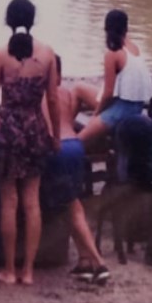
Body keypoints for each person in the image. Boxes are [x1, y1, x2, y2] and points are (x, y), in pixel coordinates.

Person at [0, 0, 60, 286]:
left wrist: (3, 120)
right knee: (32, 202)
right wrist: (54, 135)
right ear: (33, 20)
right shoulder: (47, 54)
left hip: (8, 128)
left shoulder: (0, 55)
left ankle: (9, 269)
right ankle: (28, 271)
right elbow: (53, 100)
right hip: (35, 127)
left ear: (8, 20)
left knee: (9, 202)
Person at [48, 56, 110, 284]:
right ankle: (84, 261)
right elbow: (101, 101)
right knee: (71, 205)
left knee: (72, 208)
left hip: (60, 149)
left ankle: (99, 262)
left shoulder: (43, 95)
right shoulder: (67, 93)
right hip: (75, 146)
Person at [78, 9, 152, 151]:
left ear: (107, 29)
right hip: (135, 106)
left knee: (78, 142)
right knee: (79, 88)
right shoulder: (134, 48)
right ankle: (68, 130)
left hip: (121, 110)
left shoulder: (112, 54)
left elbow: (108, 94)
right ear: (126, 28)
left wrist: (96, 114)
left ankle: (68, 136)